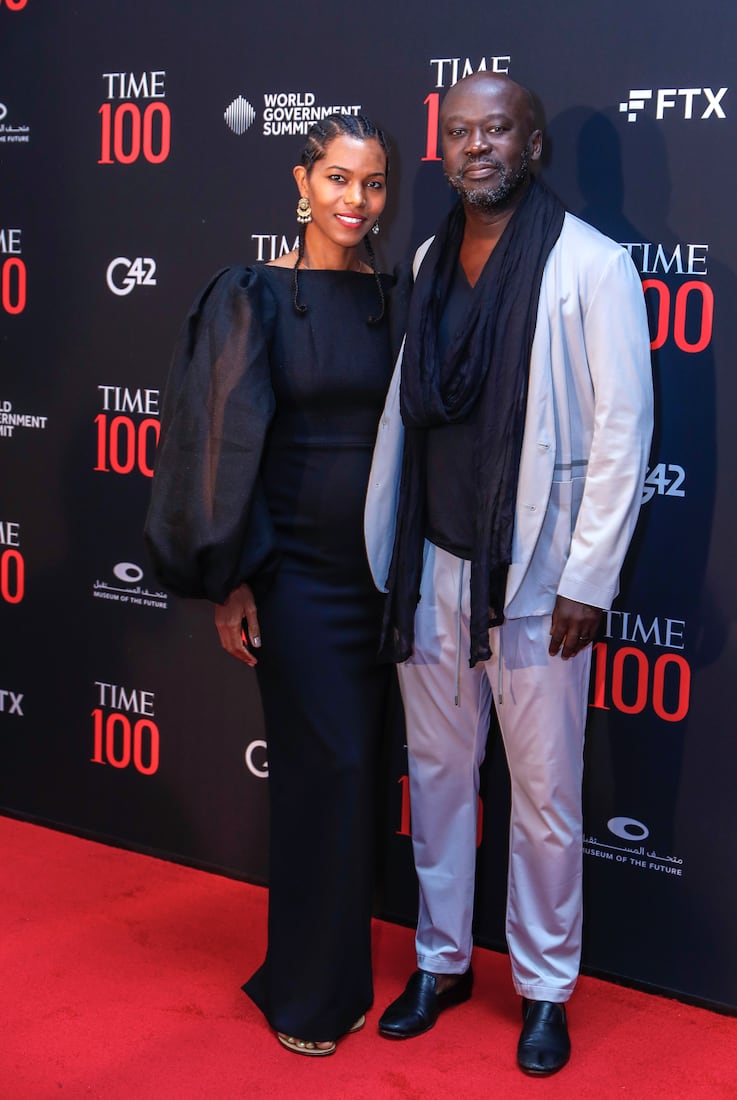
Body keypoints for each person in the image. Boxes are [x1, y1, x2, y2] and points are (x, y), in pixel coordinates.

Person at [364, 73, 653, 1076]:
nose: (473, 145)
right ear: (438, 147)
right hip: (431, 566)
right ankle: (440, 961)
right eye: (457, 131)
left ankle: (542, 986)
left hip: (536, 580)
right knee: (438, 781)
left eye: (495, 129)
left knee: (542, 796)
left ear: (531, 144)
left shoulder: (591, 266)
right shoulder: (429, 258)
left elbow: (621, 434)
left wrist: (589, 578)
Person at [145, 114, 395, 1057]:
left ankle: (329, 969)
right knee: (319, 774)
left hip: (380, 577)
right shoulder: (249, 293)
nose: (354, 202)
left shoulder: (392, 297)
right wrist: (233, 580)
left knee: (355, 775)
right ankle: (307, 993)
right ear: (302, 180)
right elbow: (219, 445)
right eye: (337, 179)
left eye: (371, 186)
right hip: (293, 578)